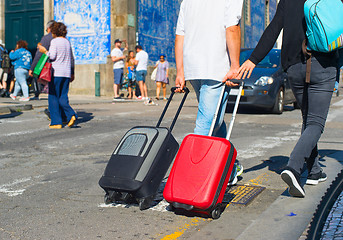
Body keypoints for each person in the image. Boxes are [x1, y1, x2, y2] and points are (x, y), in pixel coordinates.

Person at [238, 0, 339, 198]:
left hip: (294, 66)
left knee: (308, 119)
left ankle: (315, 170)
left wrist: (254, 59)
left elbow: (274, 28)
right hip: (322, 64)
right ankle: (293, 167)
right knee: (316, 123)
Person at [175, 0, 244, 184]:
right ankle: (191, 179)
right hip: (216, 67)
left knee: (215, 118)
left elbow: (180, 35)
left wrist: (180, 71)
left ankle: (228, 168)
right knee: (205, 124)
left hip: (193, 67)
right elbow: (232, 29)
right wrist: (235, 65)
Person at [37, 22, 77, 129]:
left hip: (56, 72)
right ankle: (70, 115)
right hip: (66, 73)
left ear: (54, 31)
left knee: (53, 96)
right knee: (63, 96)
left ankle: (56, 122)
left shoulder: (54, 41)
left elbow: (52, 56)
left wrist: (44, 51)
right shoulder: (67, 42)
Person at [29, 20, 56, 99]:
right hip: (62, 69)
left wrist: (32, 68)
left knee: (51, 91)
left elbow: (39, 54)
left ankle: (54, 110)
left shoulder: (47, 38)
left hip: (49, 67)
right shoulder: (63, 39)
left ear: (49, 28)